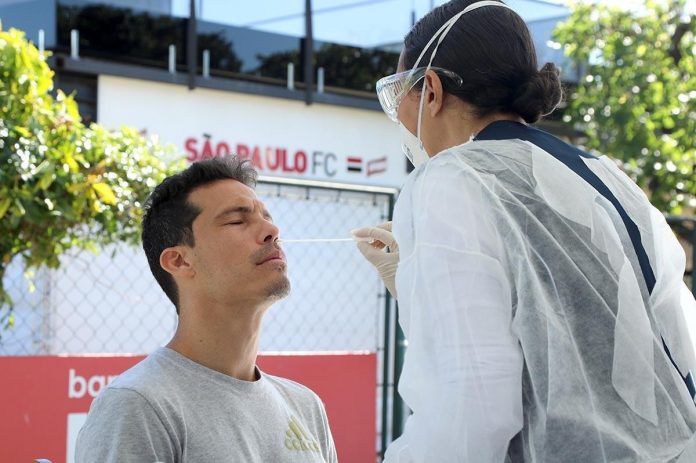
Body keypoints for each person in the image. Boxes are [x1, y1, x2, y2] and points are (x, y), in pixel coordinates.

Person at [353, 1, 696, 461]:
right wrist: (417, 286)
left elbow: (470, 405)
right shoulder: (601, 173)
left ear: (430, 89)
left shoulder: (451, 178)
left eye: (400, 97)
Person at [76, 157, 337, 463]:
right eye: (237, 221)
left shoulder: (306, 407)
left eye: (267, 217)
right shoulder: (139, 404)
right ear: (179, 261)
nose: (272, 230)